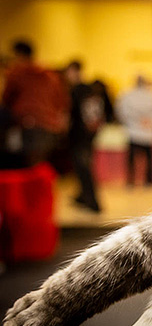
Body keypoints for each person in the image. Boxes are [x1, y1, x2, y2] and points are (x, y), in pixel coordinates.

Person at [1, 40, 69, 168]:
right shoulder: (50, 74)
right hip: (50, 127)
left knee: (27, 167)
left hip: (27, 124)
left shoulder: (17, 72)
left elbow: (6, 99)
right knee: (39, 165)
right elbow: (62, 102)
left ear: (19, 55)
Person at [66, 61, 111, 212]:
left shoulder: (77, 90)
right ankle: (83, 197)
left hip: (79, 135)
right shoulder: (90, 90)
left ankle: (93, 203)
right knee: (83, 166)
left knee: (83, 167)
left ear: (73, 71)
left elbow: (72, 114)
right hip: (89, 134)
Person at [116, 75, 152, 186]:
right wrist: (151, 121)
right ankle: (148, 181)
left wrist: (135, 122)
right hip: (147, 130)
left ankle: (131, 181)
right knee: (149, 158)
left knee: (134, 158)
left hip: (134, 131)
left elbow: (122, 112)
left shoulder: (127, 95)